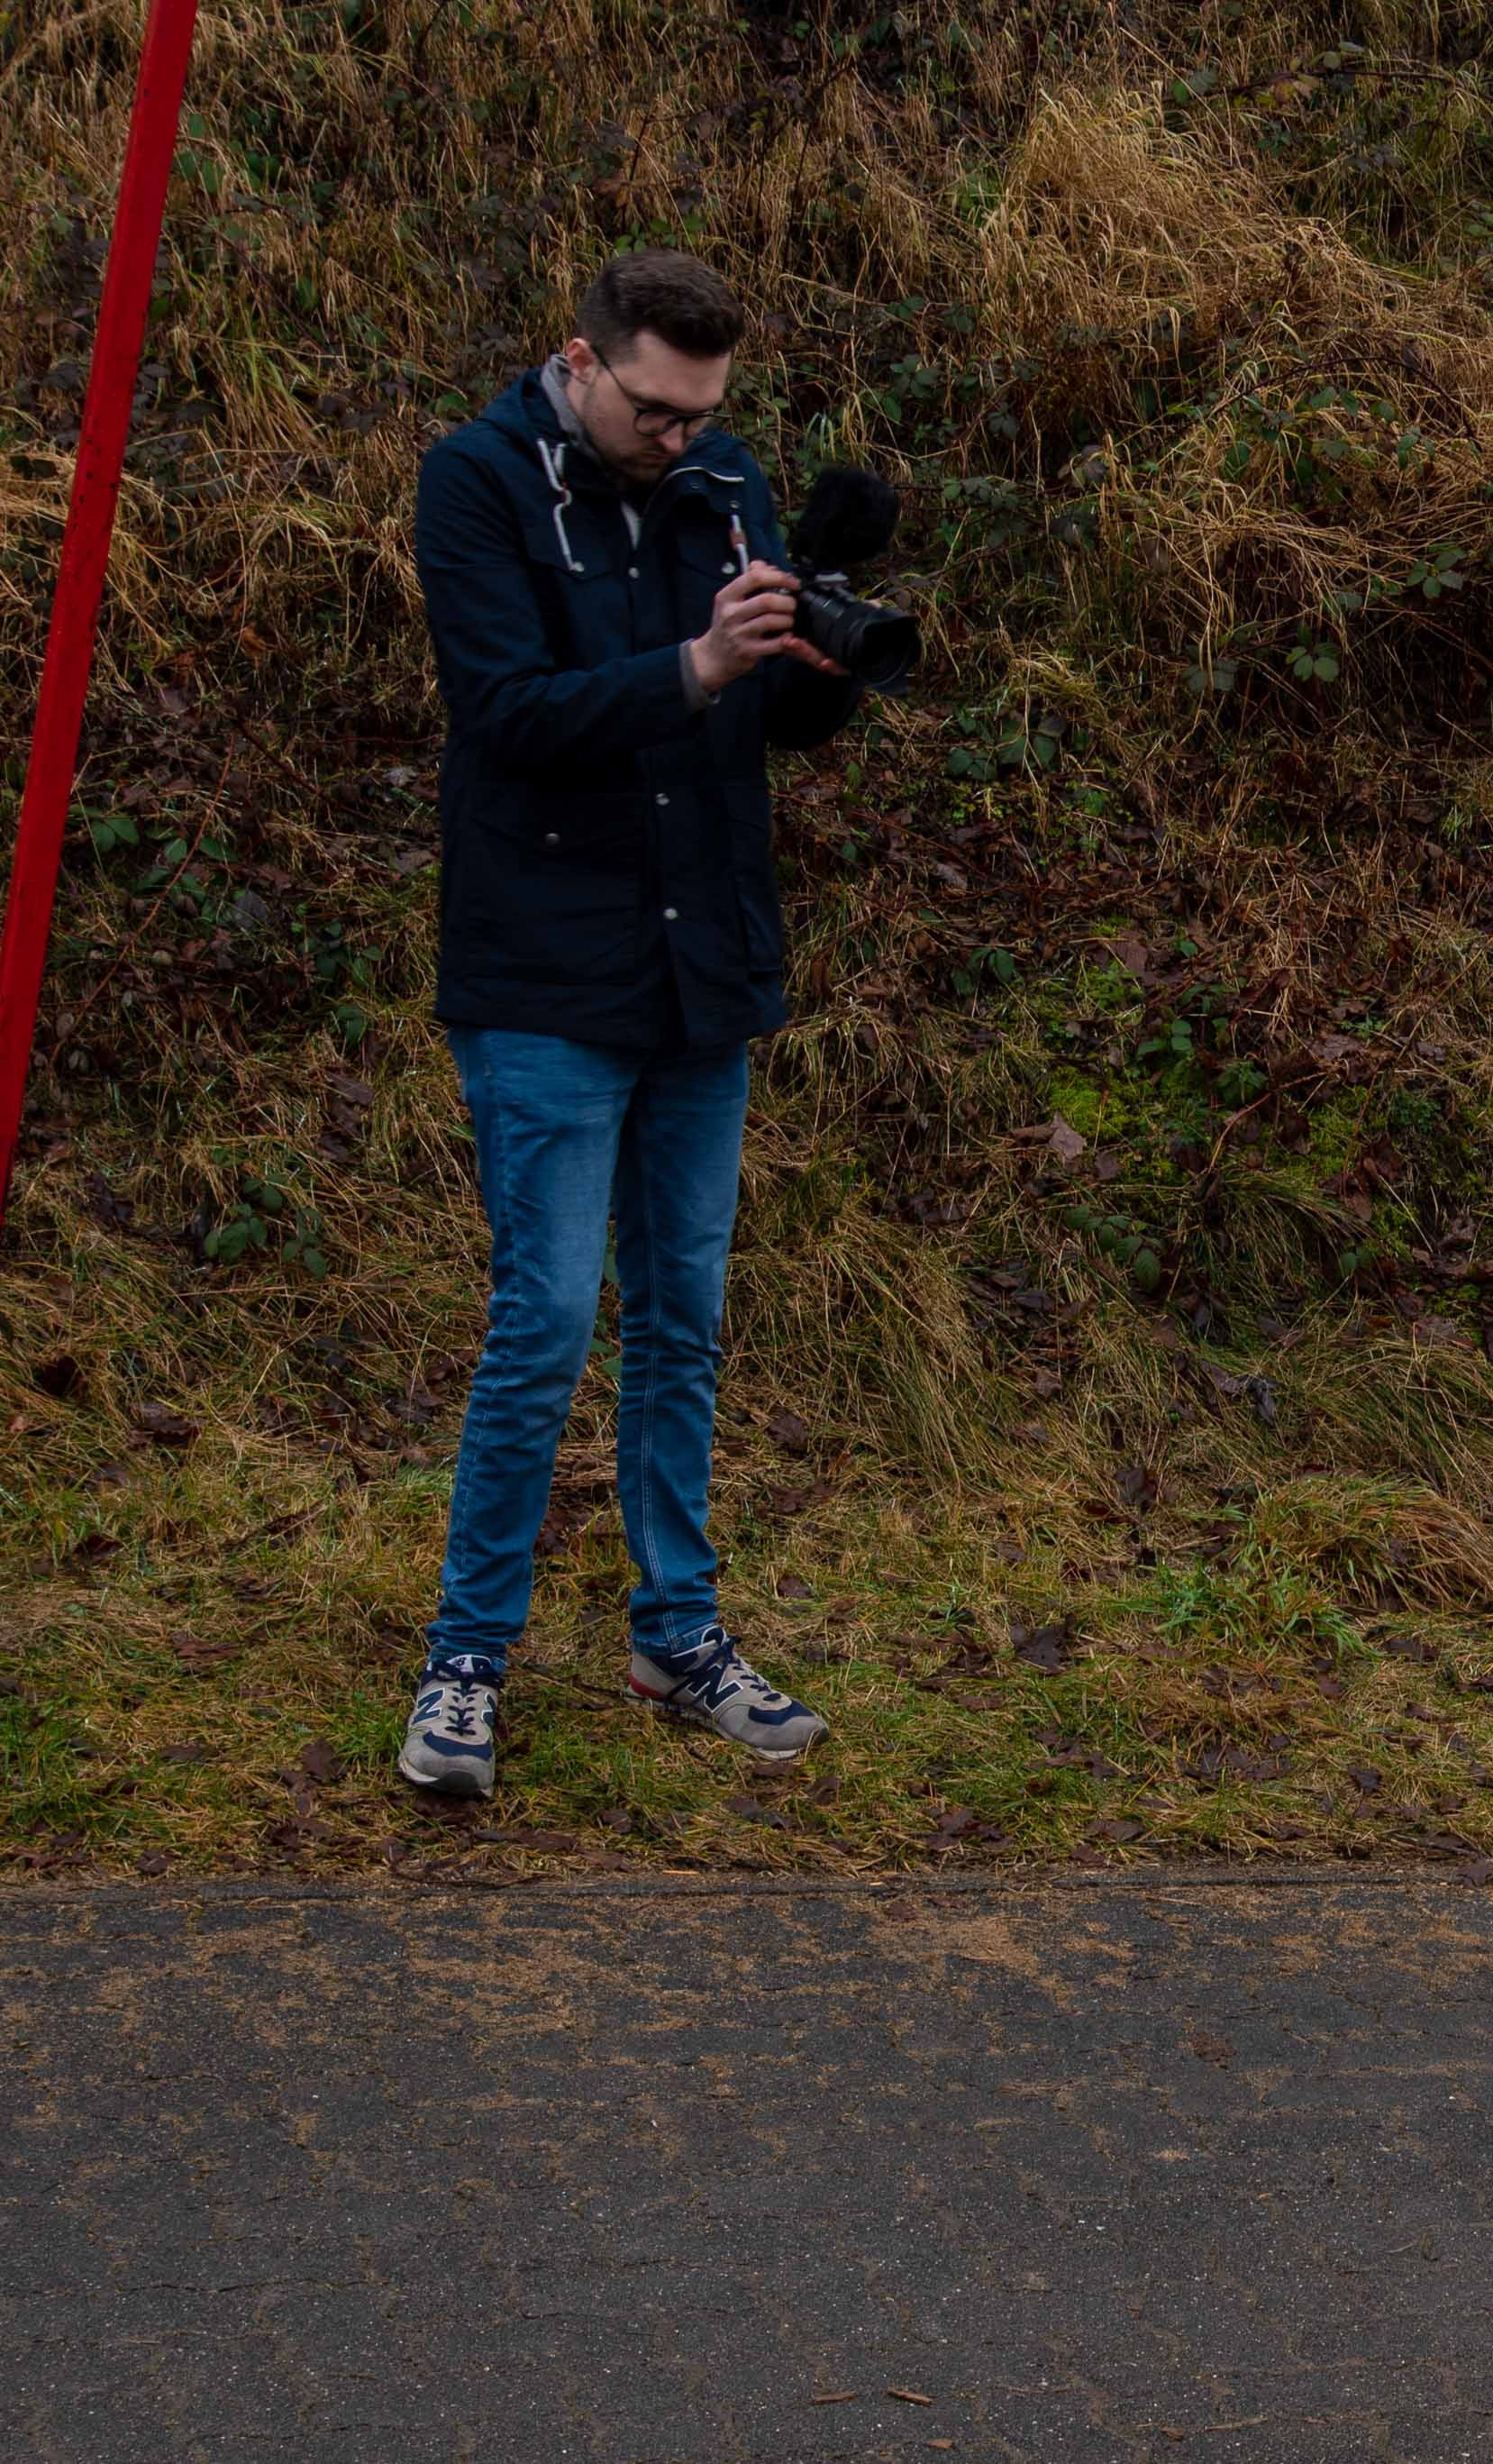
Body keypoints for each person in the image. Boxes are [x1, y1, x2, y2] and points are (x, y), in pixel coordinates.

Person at [396, 248, 860, 1796]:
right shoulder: (473, 484)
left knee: (685, 1320)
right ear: (580, 363)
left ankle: (680, 1630)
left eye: (705, 414)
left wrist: (816, 655)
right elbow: (506, 714)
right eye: (657, 411)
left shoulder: (722, 472)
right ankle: (468, 1659)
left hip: (702, 964)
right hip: (542, 972)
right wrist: (691, 663)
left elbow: (771, 714)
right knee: (543, 1325)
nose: (684, 439)